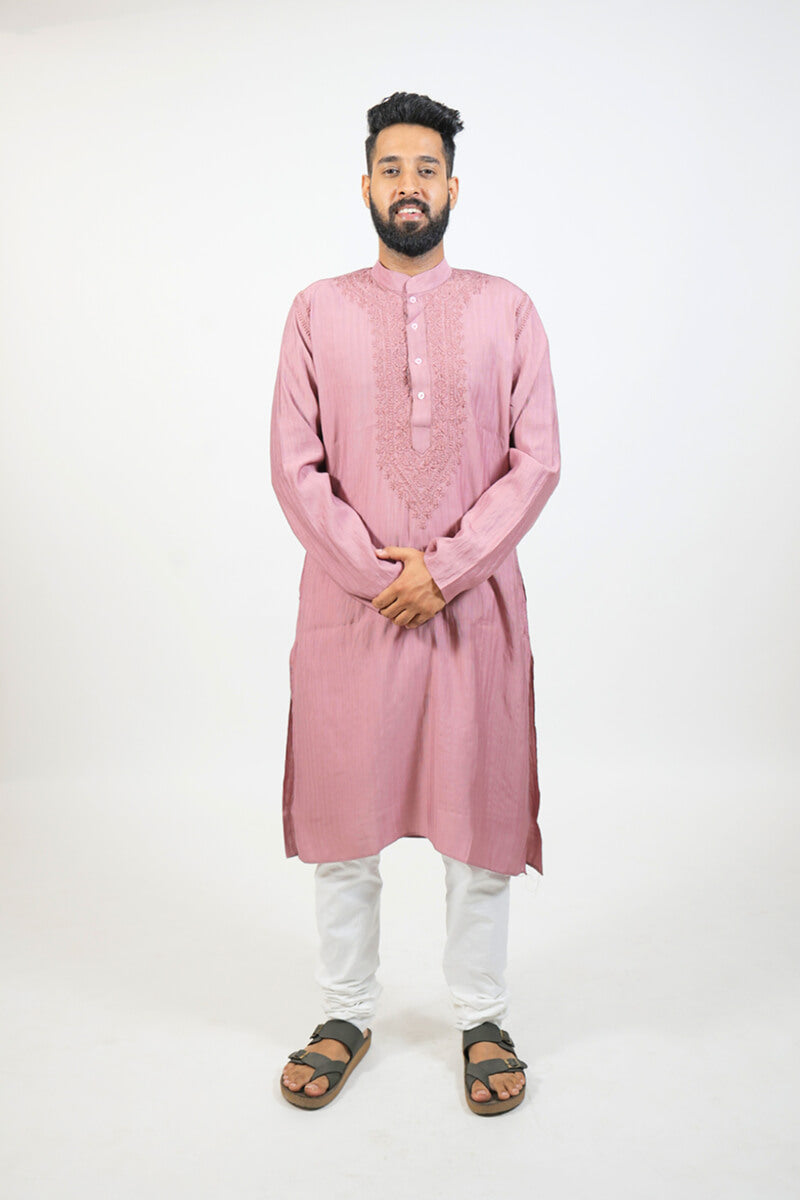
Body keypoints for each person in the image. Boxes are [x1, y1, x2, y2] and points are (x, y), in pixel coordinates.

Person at [271, 91, 561, 1114]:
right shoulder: (316, 309)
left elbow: (536, 460)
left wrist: (445, 569)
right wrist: (375, 575)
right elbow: (294, 466)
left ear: (452, 187)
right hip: (351, 615)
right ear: (365, 185)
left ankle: (482, 1015)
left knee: (476, 824)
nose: (408, 186)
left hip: (471, 613)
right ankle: (345, 1012)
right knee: (344, 827)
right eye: (391, 169)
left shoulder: (505, 308)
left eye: (425, 169)